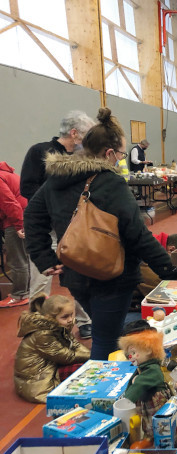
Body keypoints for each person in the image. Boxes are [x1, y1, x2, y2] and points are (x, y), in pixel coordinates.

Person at [24, 107, 177, 360]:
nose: (120, 159)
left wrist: (43, 258)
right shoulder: (110, 182)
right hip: (112, 274)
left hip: (74, 271)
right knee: (106, 341)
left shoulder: (56, 179)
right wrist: (168, 270)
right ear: (109, 153)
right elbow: (136, 234)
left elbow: (32, 215)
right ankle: (100, 395)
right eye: (120, 154)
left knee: (106, 329)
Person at [20, 110, 95, 336]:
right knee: (42, 276)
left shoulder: (83, 157)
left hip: (75, 227)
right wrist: (54, 206)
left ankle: (84, 321)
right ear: (74, 133)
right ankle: (37, 327)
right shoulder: (39, 152)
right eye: (86, 135)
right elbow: (27, 188)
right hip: (48, 229)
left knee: (79, 273)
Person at [14, 293, 90, 403]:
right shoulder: (43, 334)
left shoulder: (58, 325)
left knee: (88, 365)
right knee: (82, 369)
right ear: (50, 318)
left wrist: (92, 356)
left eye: (71, 315)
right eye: (65, 317)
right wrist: (92, 356)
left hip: (50, 365)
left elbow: (74, 344)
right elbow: (65, 356)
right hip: (37, 378)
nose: (70, 320)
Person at [0, 161, 29, 307]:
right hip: (22, 217)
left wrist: (18, 225)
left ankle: (20, 295)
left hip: (16, 221)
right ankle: (26, 292)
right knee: (23, 258)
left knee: (16, 259)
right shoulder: (6, 174)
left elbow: (10, 204)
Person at [137, 233, 177, 298]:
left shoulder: (153, 242)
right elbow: (162, 289)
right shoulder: (148, 253)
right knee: (165, 289)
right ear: (171, 250)